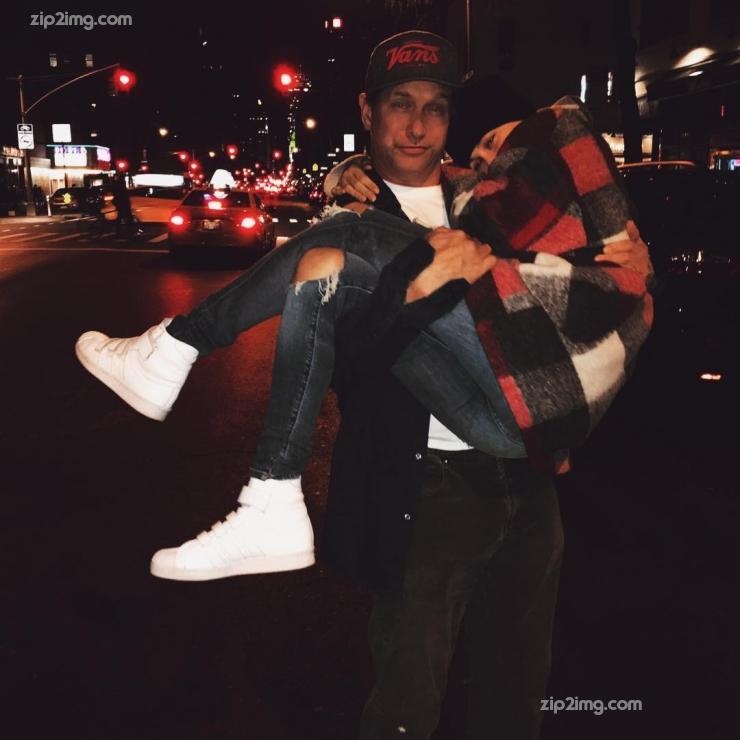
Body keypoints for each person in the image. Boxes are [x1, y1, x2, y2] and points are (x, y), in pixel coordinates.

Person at [75, 31, 651, 736]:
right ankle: (198, 389)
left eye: (435, 108)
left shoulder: (486, 198)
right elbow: (345, 363)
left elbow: (556, 313)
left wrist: (619, 258)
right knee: (407, 704)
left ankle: (176, 358)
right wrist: (414, 294)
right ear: (368, 110)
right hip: (427, 491)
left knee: (516, 695)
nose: (417, 126)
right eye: (400, 104)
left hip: (527, 482)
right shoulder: (347, 218)